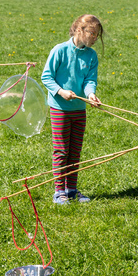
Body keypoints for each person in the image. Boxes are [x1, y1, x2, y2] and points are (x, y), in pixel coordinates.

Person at [41, 14, 103, 204]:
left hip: (79, 108)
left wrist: (90, 94)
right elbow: (46, 77)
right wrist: (60, 91)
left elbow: (89, 80)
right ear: (79, 30)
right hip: (60, 108)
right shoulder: (59, 50)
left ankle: (71, 189)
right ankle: (58, 190)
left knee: (75, 150)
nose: (94, 38)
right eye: (91, 33)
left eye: (97, 35)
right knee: (61, 150)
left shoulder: (91, 55)